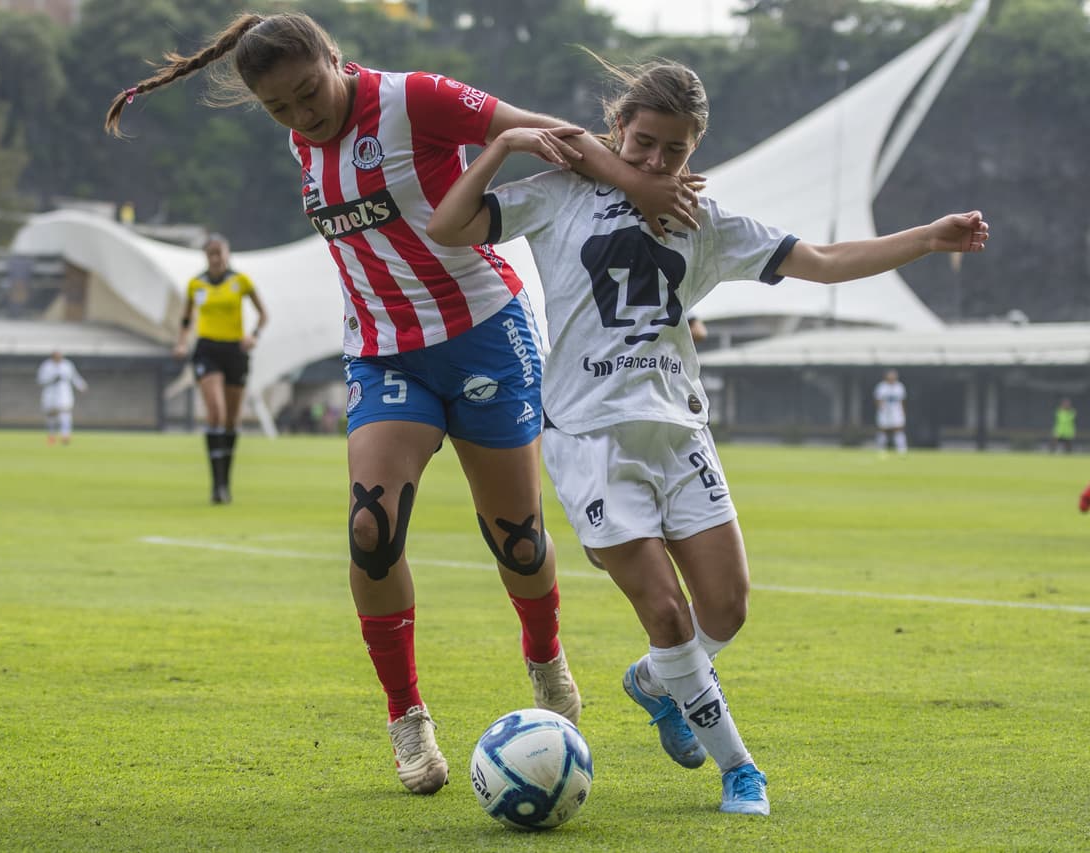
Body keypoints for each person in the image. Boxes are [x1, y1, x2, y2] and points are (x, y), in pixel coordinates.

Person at [105, 11, 704, 796]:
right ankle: (407, 717)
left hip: (486, 334)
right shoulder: (301, 139)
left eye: (307, 92)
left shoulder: (413, 99)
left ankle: (545, 654)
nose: (300, 115)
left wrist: (642, 184)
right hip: (385, 350)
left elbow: (550, 133)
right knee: (371, 528)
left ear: (335, 58)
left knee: (517, 540)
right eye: (279, 107)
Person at [427, 55, 989, 815]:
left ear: (695, 150)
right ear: (618, 127)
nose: (657, 160)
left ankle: (658, 682)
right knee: (667, 613)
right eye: (645, 141)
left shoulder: (708, 219)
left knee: (726, 609)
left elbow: (820, 262)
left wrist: (927, 237)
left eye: (676, 150)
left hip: (679, 431)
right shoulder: (561, 194)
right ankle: (741, 769)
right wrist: (502, 147)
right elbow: (448, 225)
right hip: (590, 437)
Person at [175, 234, 268, 505]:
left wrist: (254, 335)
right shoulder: (196, 284)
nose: (216, 258)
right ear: (206, 256)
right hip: (207, 349)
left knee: (231, 420)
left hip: (235, 351)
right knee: (215, 412)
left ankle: (225, 482)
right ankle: (216, 485)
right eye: (211, 253)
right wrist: (182, 343)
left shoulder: (241, 282)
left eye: (220, 252)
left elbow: (263, 313)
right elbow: (185, 318)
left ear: (227, 253)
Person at [36, 351, 88, 445]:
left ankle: (65, 436)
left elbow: (74, 377)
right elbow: (40, 380)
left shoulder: (67, 365)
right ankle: (51, 436)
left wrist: (81, 385)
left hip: (64, 394)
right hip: (50, 394)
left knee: (65, 413)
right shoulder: (46, 366)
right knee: (51, 415)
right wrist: (52, 379)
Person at [874, 369, 908, 454]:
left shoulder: (899, 386)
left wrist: (902, 411)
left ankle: (901, 449)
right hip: (884, 412)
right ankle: (881, 449)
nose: (891, 378)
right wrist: (881, 409)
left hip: (896, 412)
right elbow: (878, 399)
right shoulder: (881, 387)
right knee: (883, 430)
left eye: (893, 376)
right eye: (890, 376)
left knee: (898, 429)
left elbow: (902, 400)